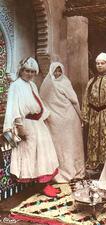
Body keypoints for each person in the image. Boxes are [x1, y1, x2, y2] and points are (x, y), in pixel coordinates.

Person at [3, 57, 60, 197]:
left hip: (37, 124)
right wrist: (19, 126)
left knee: (43, 154)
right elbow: (13, 108)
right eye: (27, 71)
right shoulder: (16, 86)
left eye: (32, 72)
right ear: (21, 71)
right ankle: (40, 185)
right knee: (32, 154)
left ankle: (43, 184)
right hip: (26, 124)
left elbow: (39, 104)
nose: (29, 74)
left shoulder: (32, 85)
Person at [40, 62, 85, 183]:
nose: (58, 73)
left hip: (69, 121)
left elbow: (74, 101)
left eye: (60, 71)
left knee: (72, 145)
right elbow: (44, 103)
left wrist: (80, 117)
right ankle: (63, 172)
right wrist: (81, 116)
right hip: (55, 123)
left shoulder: (64, 82)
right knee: (61, 147)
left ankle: (75, 170)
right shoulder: (47, 84)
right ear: (51, 71)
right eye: (55, 71)